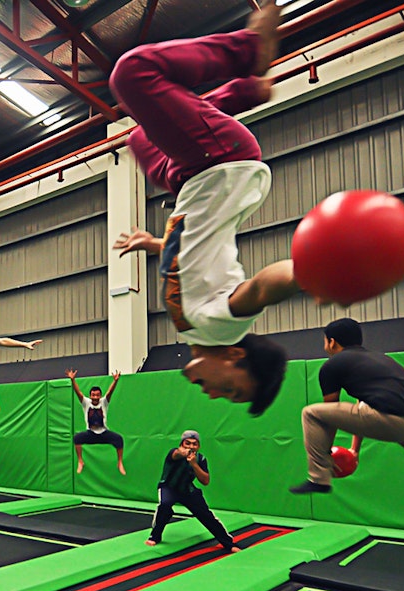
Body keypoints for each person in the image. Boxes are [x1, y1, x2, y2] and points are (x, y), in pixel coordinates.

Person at [109, 1, 303, 416]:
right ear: (236, 359)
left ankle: (242, 93)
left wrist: (156, 245)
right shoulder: (220, 327)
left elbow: (195, 255)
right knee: (133, 74)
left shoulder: (191, 327)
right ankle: (248, 52)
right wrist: (312, 272)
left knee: (140, 140)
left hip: (189, 177)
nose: (216, 396)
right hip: (221, 161)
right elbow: (263, 287)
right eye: (233, 391)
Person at [289, 318, 404, 495]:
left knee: (311, 413)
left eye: (325, 341)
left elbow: (329, 418)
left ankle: (318, 479)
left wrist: (326, 455)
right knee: (397, 424)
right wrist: (355, 450)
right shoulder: (379, 358)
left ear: (332, 342)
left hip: (392, 419)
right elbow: (363, 406)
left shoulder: (331, 366)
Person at [147, 430, 239, 553]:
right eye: (187, 443)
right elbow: (178, 453)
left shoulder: (200, 459)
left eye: (194, 444)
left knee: (206, 515)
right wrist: (184, 452)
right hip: (168, 487)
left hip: (187, 489)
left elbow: (205, 481)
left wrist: (194, 464)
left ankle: (228, 544)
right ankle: (155, 537)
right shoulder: (174, 453)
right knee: (165, 504)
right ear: (181, 444)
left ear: (198, 446)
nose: (191, 446)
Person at [67, 369, 126, 475]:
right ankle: (80, 461)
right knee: (76, 438)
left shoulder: (104, 402)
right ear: (90, 396)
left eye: (97, 395)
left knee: (119, 439)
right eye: (93, 395)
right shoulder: (86, 403)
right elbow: (78, 393)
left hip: (104, 433)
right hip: (90, 433)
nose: (95, 397)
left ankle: (120, 462)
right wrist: (73, 380)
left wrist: (115, 381)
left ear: (100, 396)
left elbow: (110, 392)